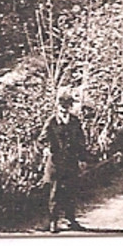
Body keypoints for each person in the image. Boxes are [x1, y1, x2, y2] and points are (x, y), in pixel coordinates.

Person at [42, 91, 86, 232]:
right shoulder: (52, 121)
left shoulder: (75, 121)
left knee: (71, 190)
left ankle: (70, 219)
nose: (64, 108)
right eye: (62, 105)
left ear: (70, 106)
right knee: (55, 192)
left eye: (67, 106)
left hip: (71, 161)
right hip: (56, 162)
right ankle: (53, 221)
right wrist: (46, 149)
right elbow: (41, 139)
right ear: (58, 106)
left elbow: (81, 141)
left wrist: (82, 159)